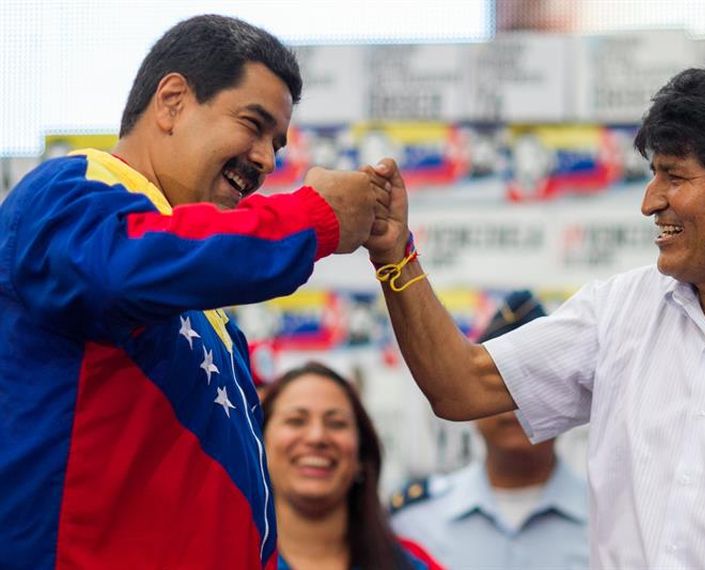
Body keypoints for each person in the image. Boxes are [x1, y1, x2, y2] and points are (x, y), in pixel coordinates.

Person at [365, 54, 705, 568]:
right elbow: (459, 385)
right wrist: (395, 254)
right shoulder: (619, 311)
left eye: (674, 177)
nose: (650, 202)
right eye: (653, 175)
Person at [0, 14, 391, 570]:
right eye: (253, 124)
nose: (267, 160)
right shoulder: (69, 190)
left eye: (276, 143)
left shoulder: (208, 312)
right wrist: (315, 217)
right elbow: (119, 268)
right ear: (172, 102)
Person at [389, 290, 588, 570]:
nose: (515, 404)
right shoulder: (414, 521)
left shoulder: (613, 516)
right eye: (499, 386)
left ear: (566, 397)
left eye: (534, 385)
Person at [261, 362, 443, 570]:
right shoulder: (231, 557)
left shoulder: (411, 564)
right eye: (296, 421)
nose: (317, 437)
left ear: (361, 453)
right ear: (260, 443)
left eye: (336, 423)